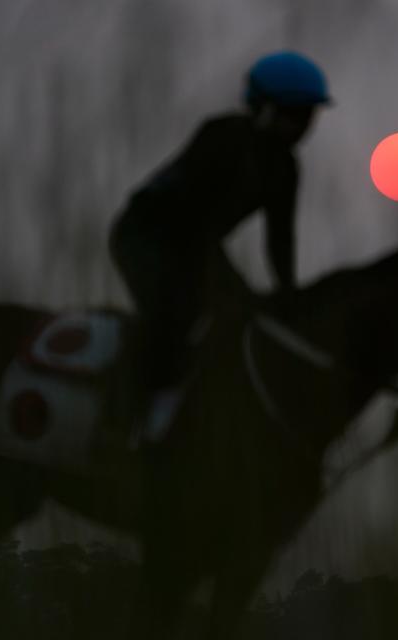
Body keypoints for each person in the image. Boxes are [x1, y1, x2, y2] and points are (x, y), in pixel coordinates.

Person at [109, 51, 330, 441]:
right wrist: (229, 282)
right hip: (143, 236)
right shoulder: (221, 136)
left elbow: (280, 239)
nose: (302, 127)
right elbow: (189, 220)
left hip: (193, 246)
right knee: (174, 314)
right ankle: (138, 417)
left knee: (237, 320)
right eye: (295, 114)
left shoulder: (286, 169)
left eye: (308, 116)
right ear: (262, 109)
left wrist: (289, 296)